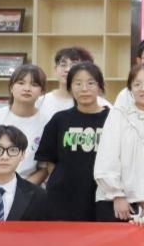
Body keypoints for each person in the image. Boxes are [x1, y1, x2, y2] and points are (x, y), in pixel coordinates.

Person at [94, 63, 144, 222]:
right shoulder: (119, 115)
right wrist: (117, 195)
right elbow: (107, 156)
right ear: (130, 90)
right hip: (114, 202)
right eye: (137, 84)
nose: (143, 88)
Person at [35, 62, 110, 223]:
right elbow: (49, 160)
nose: (84, 89)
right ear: (69, 88)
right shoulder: (60, 119)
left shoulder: (113, 119)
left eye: (91, 83)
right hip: (63, 198)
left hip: (102, 196)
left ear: (100, 87)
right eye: (78, 83)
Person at [0, 63, 47, 183]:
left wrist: (22, 190)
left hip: (26, 187)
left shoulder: (47, 124)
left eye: (34, 84)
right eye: (21, 83)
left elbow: (44, 168)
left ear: (42, 91)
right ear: (11, 87)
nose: (27, 88)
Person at [38, 46, 110, 123]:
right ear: (55, 69)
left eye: (74, 65)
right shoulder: (40, 102)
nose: (67, 70)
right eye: (63, 65)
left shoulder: (101, 104)